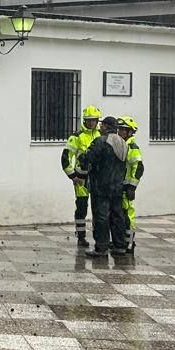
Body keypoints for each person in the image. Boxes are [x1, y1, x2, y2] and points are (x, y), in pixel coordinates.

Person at [79, 115, 131, 258]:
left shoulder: (101, 141)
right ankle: (119, 246)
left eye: (102, 125)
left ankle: (101, 247)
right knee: (117, 216)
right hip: (117, 187)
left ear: (106, 127)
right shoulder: (123, 143)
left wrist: (82, 159)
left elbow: (88, 158)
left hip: (101, 186)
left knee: (101, 217)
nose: (99, 127)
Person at [62, 105, 102, 249]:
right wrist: (72, 176)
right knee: (81, 208)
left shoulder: (100, 136)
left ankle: (100, 238)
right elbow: (65, 158)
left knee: (99, 210)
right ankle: (81, 237)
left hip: (98, 178)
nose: (91, 123)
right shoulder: (76, 137)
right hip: (81, 179)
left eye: (93, 120)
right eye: (88, 120)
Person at [119, 116, 144, 254]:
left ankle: (129, 242)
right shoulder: (120, 144)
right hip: (119, 186)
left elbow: (138, 167)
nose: (121, 132)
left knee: (128, 216)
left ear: (130, 132)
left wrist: (132, 187)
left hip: (126, 188)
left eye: (124, 130)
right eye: (120, 129)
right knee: (120, 216)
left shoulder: (132, 147)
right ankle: (121, 240)